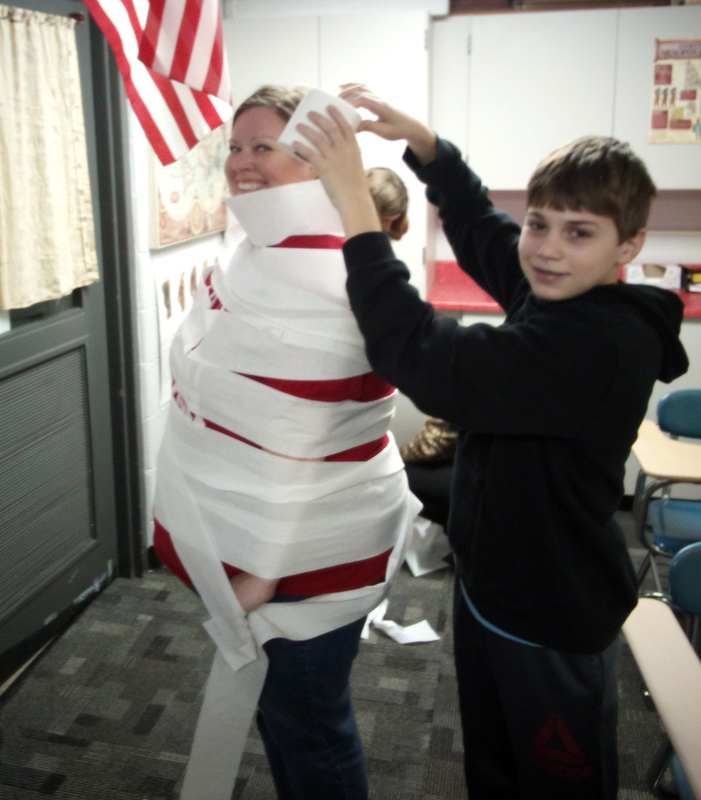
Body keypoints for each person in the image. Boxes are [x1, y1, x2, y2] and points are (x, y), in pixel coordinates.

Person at [292, 85, 689, 799]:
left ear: (626, 246)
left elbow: (420, 353)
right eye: (539, 224)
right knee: (494, 766)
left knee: (553, 780)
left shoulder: (597, 343)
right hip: (492, 585)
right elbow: (480, 227)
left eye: (579, 232)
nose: (545, 250)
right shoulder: (561, 290)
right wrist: (426, 145)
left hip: (548, 609)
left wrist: (356, 209)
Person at [152, 85, 419, 800]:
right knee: (285, 716)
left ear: (313, 156)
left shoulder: (339, 274)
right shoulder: (256, 256)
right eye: (234, 147)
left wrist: (265, 569)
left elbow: (312, 437)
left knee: (307, 725)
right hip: (270, 556)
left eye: (262, 147)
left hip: (307, 563)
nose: (241, 162)